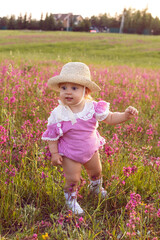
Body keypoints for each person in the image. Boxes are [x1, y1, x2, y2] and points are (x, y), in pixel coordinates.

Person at [42, 62, 138, 215]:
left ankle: (96, 188)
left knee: (96, 171)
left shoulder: (92, 107)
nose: (68, 92)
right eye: (63, 88)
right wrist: (54, 154)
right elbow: (52, 136)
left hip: (91, 149)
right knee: (73, 179)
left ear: (85, 91)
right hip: (70, 154)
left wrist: (125, 115)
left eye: (74, 88)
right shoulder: (58, 114)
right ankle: (71, 200)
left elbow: (111, 117)